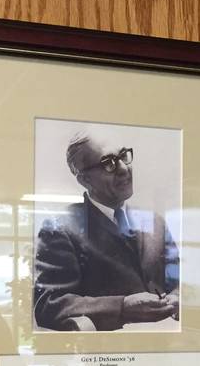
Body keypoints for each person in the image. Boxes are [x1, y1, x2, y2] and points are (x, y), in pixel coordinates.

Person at [34, 128, 179, 331]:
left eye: (123, 156)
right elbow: (48, 304)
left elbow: (179, 279)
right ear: (85, 180)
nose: (123, 168)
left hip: (166, 346)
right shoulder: (60, 228)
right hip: (110, 353)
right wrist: (122, 307)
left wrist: (177, 297)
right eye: (108, 163)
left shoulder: (155, 222)